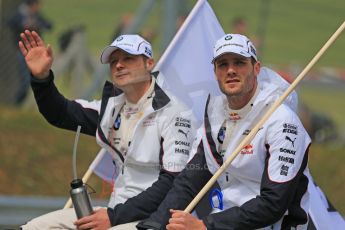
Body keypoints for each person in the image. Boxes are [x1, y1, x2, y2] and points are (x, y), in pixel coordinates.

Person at [18, 30, 196, 229]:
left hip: (155, 218)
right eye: (113, 61)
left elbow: (172, 183)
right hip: (114, 212)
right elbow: (60, 113)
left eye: (128, 58)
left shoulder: (175, 113)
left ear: (149, 64)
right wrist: (42, 79)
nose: (119, 65)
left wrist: (114, 217)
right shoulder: (110, 108)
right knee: (34, 227)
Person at [137, 34, 312, 229]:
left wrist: (205, 226)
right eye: (222, 64)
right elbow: (188, 182)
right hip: (222, 221)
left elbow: (273, 204)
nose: (230, 70)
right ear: (215, 72)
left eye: (239, 63)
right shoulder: (215, 114)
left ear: (256, 69)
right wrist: (156, 223)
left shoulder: (282, 121)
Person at [7, 0, 52, 105]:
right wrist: (23, 25)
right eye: (37, 5)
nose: (39, 8)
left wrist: (37, 25)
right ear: (32, 5)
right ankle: (17, 105)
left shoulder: (36, 15)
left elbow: (49, 25)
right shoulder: (20, 13)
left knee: (38, 78)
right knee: (25, 81)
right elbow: (10, 22)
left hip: (36, 52)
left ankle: (28, 105)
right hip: (22, 52)